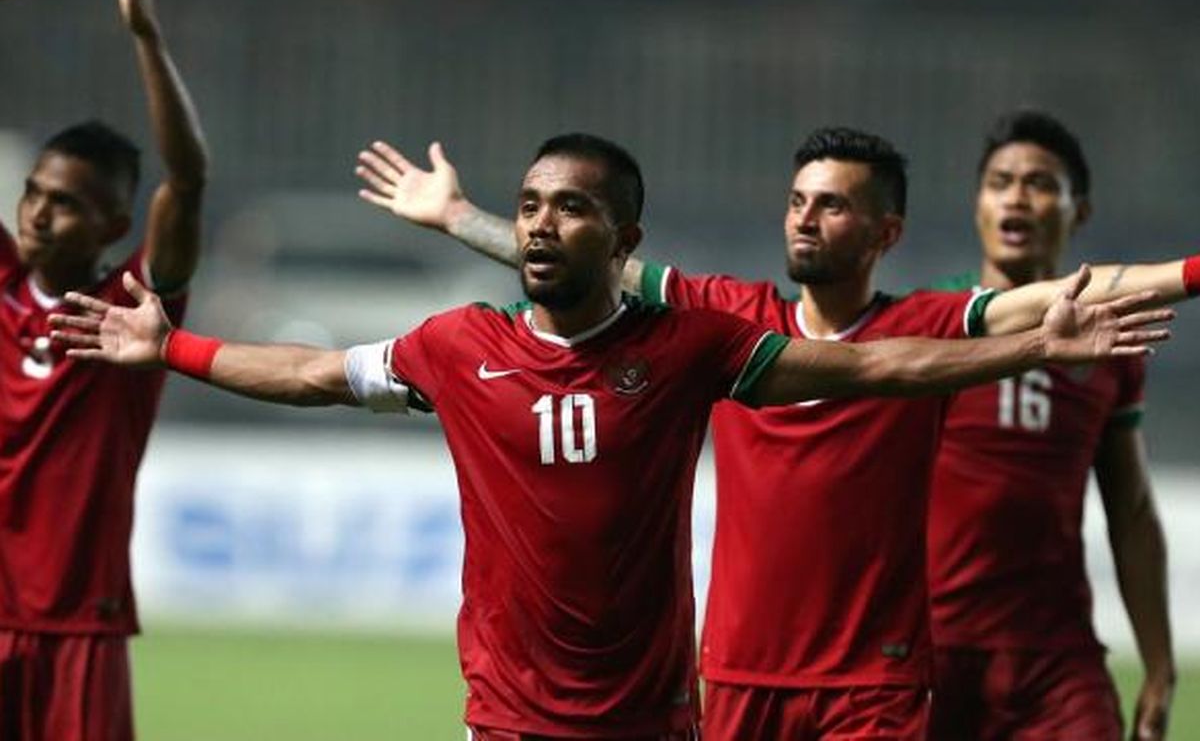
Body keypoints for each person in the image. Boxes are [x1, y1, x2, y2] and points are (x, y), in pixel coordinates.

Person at [51, 133, 1168, 740]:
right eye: (531, 204)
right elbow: (308, 370)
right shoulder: (457, 345)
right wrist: (174, 349)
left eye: (569, 208)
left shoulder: (691, 345)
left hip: (670, 708)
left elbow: (879, 365)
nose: (541, 221)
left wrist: (1033, 344)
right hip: (524, 711)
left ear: (623, 238)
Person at [0, 0, 209, 738]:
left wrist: (147, 38)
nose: (38, 214)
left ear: (115, 227)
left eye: (65, 203)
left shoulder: (130, 311)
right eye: (31, 194)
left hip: (79, 625)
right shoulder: (2, 282)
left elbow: (187, 183)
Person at [926, 109, 1185, 741]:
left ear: (1081, 211)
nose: (1016, 196)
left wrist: (1158, 662)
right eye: (999, 181)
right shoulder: (929, 323)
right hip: (930, 652)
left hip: (1054, 660)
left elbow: (1131, 507)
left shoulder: (1112, 348)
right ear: (978, 204)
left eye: (1040, 183)